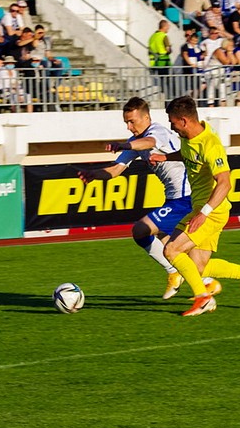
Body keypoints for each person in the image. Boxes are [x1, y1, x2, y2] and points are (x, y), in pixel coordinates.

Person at [148, 96, 240, 316]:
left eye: (172, 122)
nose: (172, 127)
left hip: (212, 211)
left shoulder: (210, 143)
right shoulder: (189, 137)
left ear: (183, 120)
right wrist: (165, 158)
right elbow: (188, 154)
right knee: (197, 266)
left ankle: (203, 299)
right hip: (200, 207)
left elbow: (225, 182)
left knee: (171, 250)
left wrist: (204, 213)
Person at [78, 97, 192, 297]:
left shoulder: (157, 132)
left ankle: (174, 273)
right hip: (175, 198)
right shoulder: (135, 142)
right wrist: (93, 174)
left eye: (132, 122)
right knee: (173, 248)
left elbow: (149, 142)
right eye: (126, 123)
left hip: (187, 197)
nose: (129, 127)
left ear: (146, 117)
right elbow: (115, 169)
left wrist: (123, 146)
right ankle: (238, 276)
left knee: (141, 230)